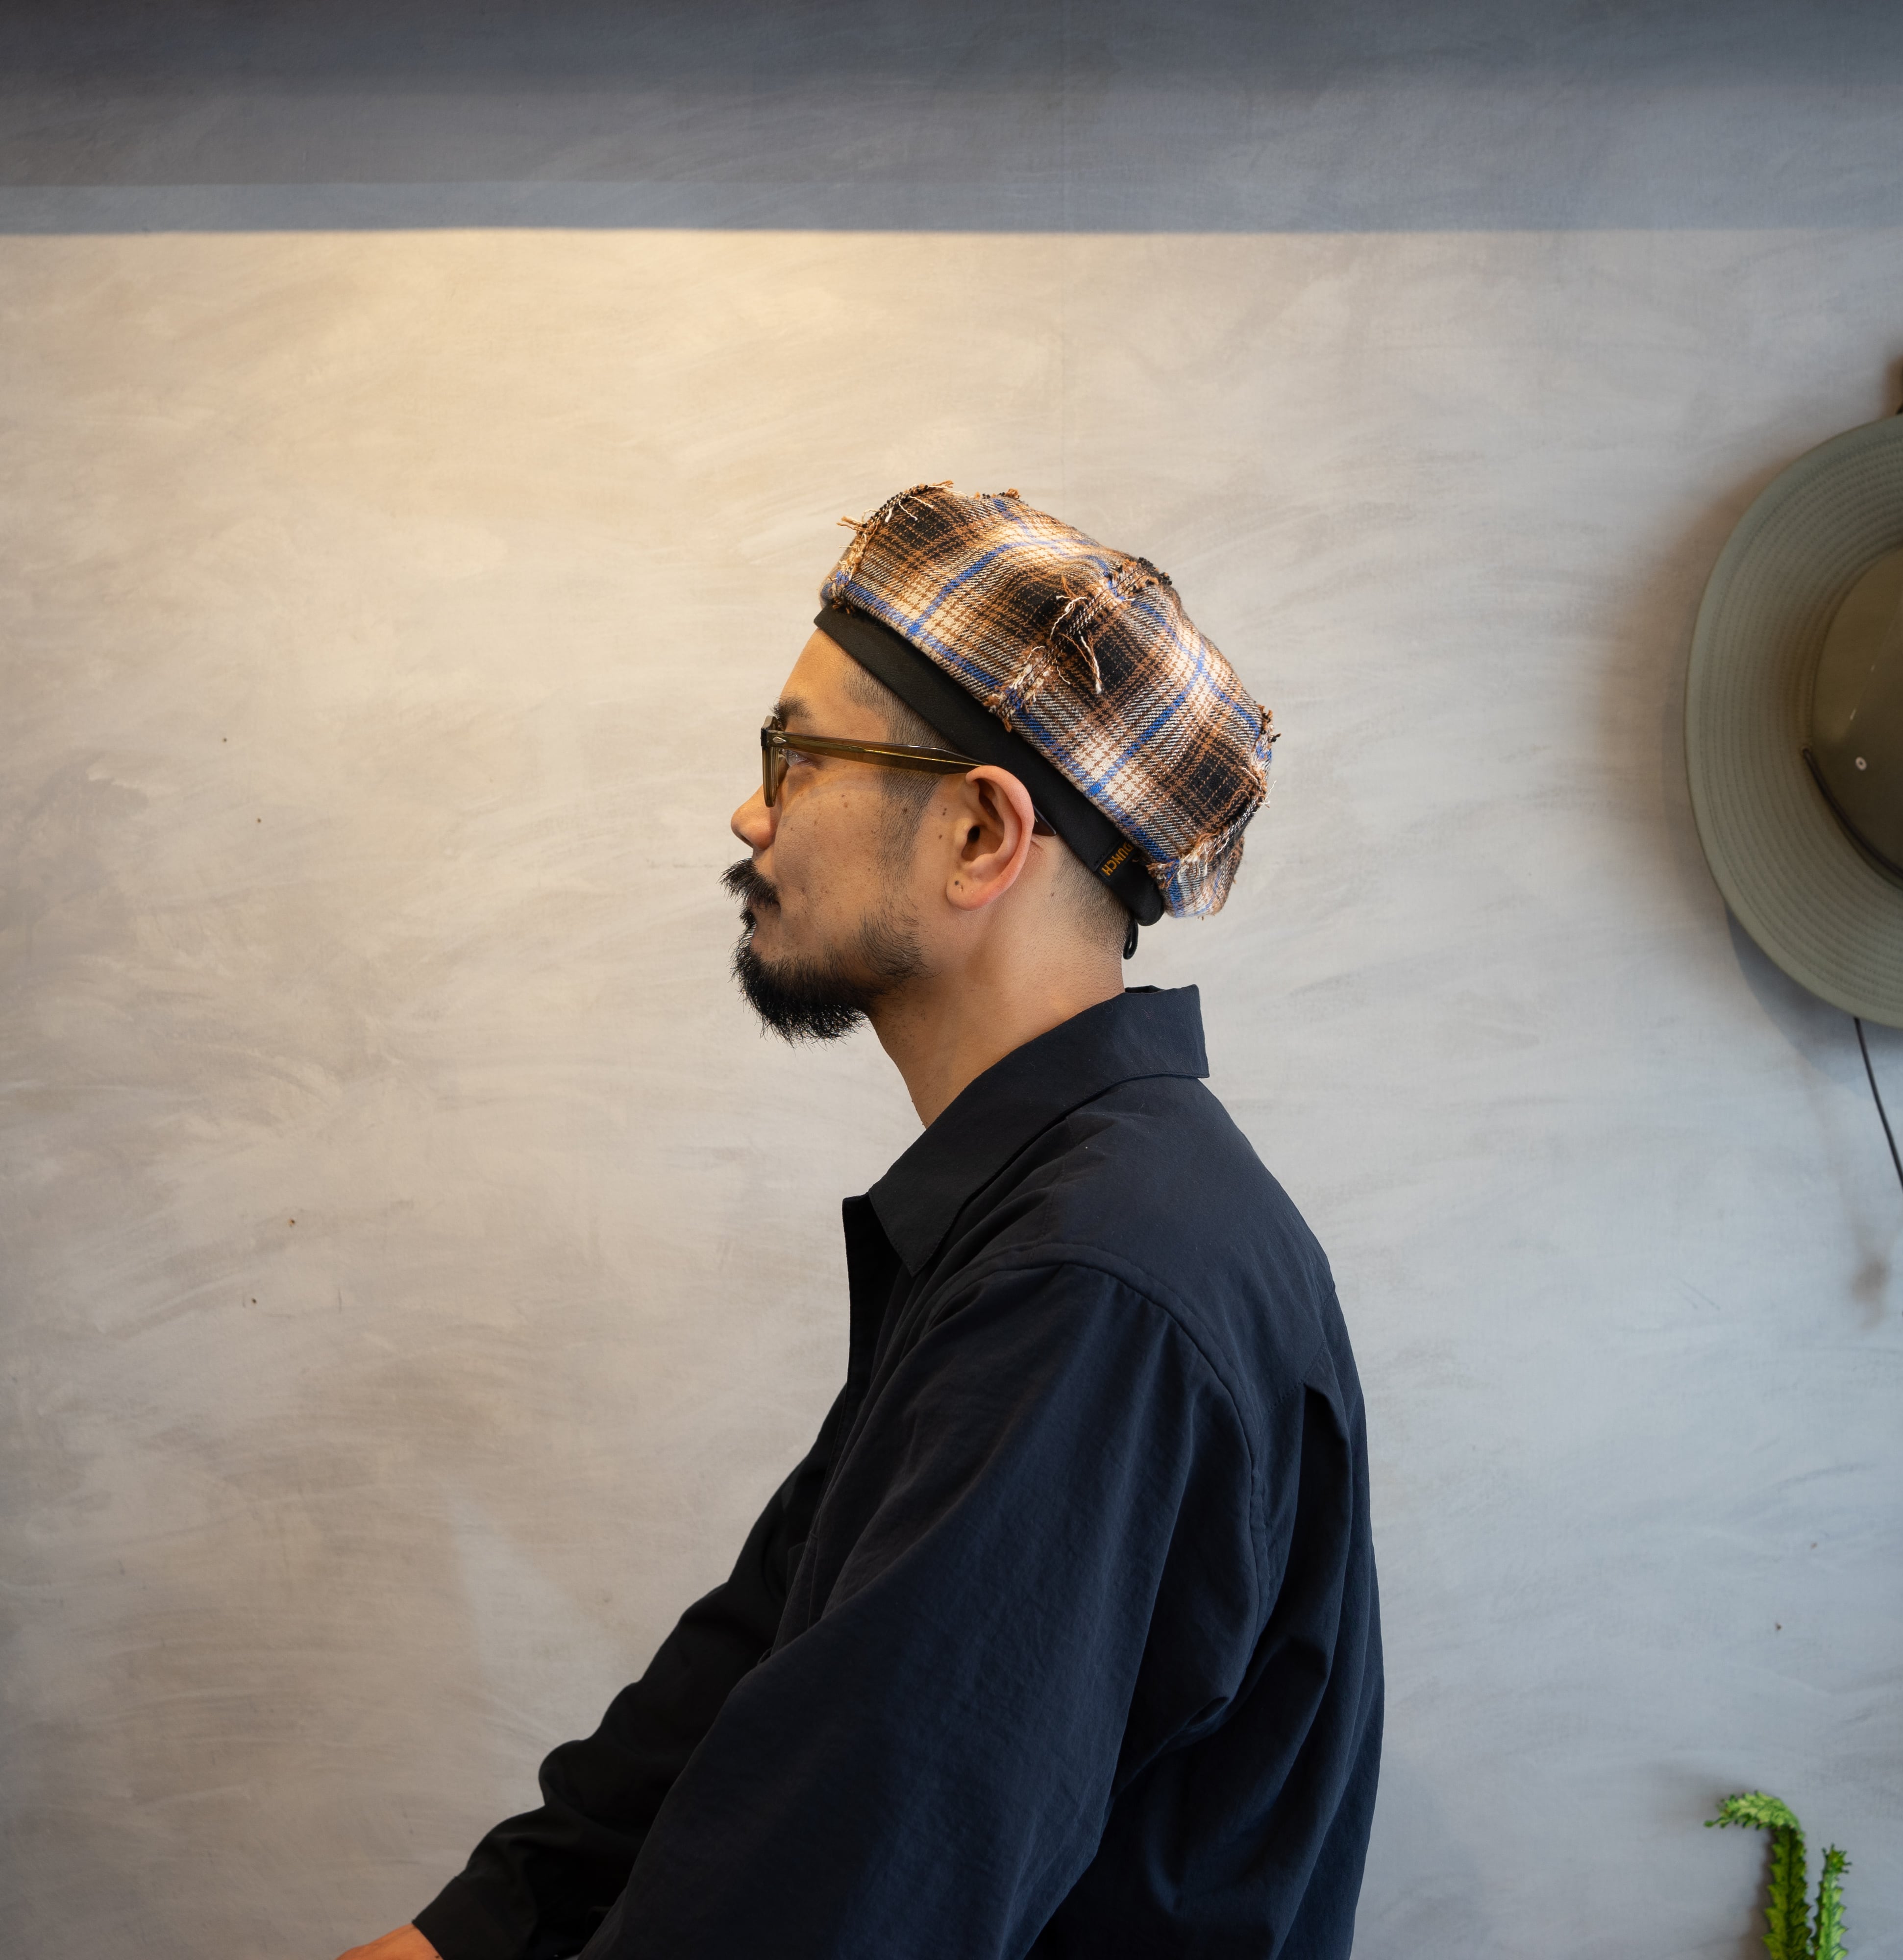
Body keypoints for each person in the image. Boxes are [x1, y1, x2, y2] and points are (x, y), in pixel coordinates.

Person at [338, 485, 1383, 1960]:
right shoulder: (1058, 1206)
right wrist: (473, 1933)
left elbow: (846, 1899)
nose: (750, 813)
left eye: (799, 756)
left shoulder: (1094, 1284)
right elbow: (770, 1644)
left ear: (979, 834)